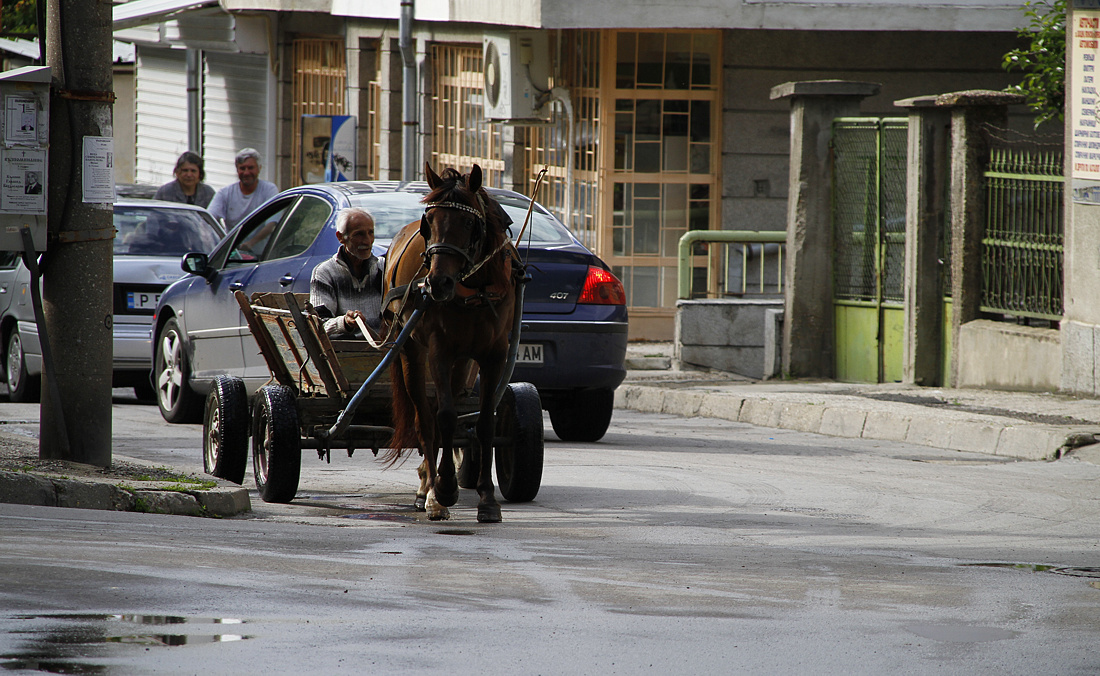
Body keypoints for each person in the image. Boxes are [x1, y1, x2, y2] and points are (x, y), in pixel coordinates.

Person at [310, 207, 383, 339]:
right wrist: (344, 322)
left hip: (384, 349)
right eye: (359, 234)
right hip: (346, 352)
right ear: (340, 237)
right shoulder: (325, 272)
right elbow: (318, 324)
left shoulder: (383, 267)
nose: (367, 241)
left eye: (370, 233)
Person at [207, 148, 278, 230]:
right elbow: (209, 219)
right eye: (242, 168)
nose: (246, 173)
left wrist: (251, 242)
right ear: (237, 170)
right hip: (233, 243)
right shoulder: (225, 193)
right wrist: (223, 238)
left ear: (259, 168)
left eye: (251, 168)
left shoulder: (269, 190)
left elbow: (271, 224)